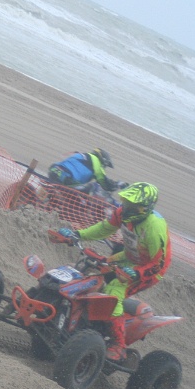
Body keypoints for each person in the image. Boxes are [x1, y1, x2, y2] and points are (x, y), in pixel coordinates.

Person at [53, 182, 172, 363]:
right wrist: (78, 234)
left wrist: (136, 274)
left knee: (115, 289)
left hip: (149, 269)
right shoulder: (122, 213)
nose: (127, 207)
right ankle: (79, 318)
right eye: (126, 202)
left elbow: (158, 263)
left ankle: (118, 345)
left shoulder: (155, 227)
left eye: (132, 205)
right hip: (128, 257)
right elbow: (104, 228)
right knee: (92, 268)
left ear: (146, 207)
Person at [47, 148, 118, 191]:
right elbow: (106, 185)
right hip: (67, 178)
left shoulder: (82, 155)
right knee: (86, 191)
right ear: (103, 160)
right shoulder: (97, 165)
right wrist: (118, 185)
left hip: (54, 169)